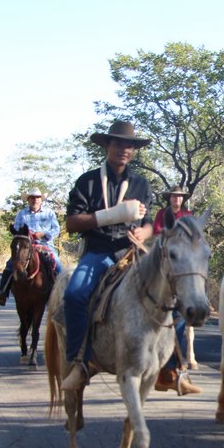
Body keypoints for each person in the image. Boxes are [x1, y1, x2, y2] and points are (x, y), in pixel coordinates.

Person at [61, 120, 155, 392]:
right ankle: (78, 362)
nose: (123, 149)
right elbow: (72, 223)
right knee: (74, 295)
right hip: (100, 251)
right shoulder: (88, 181)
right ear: (107, 146)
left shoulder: (141, 184)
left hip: (131, 251)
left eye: (129, 145)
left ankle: (173, 366)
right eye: (118, 144)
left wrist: (145, 233)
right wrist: (111, 216)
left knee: (175, 292)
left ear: (133, 151)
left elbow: (149, 222)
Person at [151, 185, 202, 395]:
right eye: (174, 196)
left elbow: (195, 238)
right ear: (169, 198)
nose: (177, 200)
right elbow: (157, 234)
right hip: (165, 256)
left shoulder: (188, 215)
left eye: (180, 197)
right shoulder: (162, 214)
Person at [0, 188, 62, 306]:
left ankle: (62, 297)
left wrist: (43, 234)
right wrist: (25, 235)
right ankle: (3, 292)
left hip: (45, 245)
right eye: (32, 197)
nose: (35, 200)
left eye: (37, 197)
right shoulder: (22, 214)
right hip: (26, 245)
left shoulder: (49, 213)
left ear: (41, 199)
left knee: (58, 265)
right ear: (28, 200)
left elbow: (56, 229)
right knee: (10, 264)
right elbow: (16, 230)